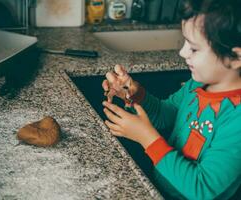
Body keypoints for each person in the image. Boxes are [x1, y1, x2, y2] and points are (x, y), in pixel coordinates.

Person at [102, 0, 241, 199]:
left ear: (235, 58)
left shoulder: (237, 119)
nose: (182, 53)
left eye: (193, 48)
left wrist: (146, 138)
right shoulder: (198, 84)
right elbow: (165, 115)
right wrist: (136, 95)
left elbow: (202, 188)